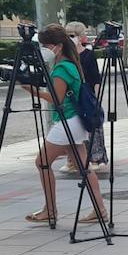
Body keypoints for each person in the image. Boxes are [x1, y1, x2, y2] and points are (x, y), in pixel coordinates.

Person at [24, 24, 106, 226]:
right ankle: (100, 209)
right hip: (75, 121)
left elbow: (56, 98)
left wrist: (31, 89)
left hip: (67, 122)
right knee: (83, 166)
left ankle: (50, 210)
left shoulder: (62, 68)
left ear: (57, 46)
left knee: (42, 162)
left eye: (46, 45)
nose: (43, 49)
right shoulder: (70, 63)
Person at [58, 21, 108, 176]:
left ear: (80, 37)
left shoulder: (88, 55)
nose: (69, 39)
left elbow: (95, 78)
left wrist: (96, 97)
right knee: (72, 126)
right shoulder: (64, 57)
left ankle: (95, 158)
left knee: (91, 125)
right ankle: (72, 160)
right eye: (67, 35)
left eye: (72, 35)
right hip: (70, 96)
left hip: (86, 95)